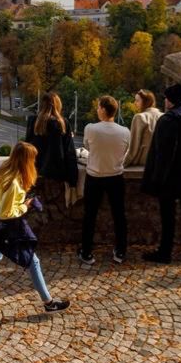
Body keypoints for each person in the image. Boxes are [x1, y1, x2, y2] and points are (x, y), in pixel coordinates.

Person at [0, 142, 70, 314]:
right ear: (26, 160)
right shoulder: (15, 183)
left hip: (3, 228)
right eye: (33, 159)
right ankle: (49, 303)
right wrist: (26, 206)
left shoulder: (5, 171)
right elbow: (6, 213)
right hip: (11, 227)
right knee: (33, 261)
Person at [141, 83, 181, 264]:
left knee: (168, 216)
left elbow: (161, 153)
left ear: (169, 101)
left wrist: (156, 178)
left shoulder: (167, 121)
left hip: (169, 177)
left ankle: (165, 252)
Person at [79, 95, 131, 266]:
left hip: (95, 176)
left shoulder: (91, 128)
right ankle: (121, 251)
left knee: (90, 216)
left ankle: (86, 251)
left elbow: (87, 147)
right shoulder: (125, 131)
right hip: (116, 177)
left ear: (102, 109)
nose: (96, 110)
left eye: (98, 107)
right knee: (119, 216)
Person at [23, 91, 79, 190]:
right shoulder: (62, 123)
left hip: (35, 173)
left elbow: (26, 149)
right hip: (57, 175)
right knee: (56, 205)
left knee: (35, 204)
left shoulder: (33, 121)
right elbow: (69, 153)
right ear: (58, 105)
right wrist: (73, 181)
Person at [125, 89, 161, 168]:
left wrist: (123, 163)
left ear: (145, 102)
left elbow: (133, 146)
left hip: (144, 159)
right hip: (158, 159)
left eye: (137, 100)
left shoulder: (140, 117)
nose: (135, 103)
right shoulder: (162, 116)